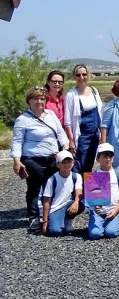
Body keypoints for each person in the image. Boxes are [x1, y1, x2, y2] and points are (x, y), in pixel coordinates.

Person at [12, 86, 69, 228]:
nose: (39, 101)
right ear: (29, 101)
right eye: (35, 98)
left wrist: (66, 147)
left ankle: (51, 212)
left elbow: (60, 133)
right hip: (32, 158)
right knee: (36, 184)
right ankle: (33, 216)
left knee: (54, 184)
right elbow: (17, 141)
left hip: (52, 157)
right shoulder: (23, 119)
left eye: (42, 98)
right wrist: (16, 160)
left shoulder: (50, 115)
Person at [64, 64, 103, 173]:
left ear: (88, 75)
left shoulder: (94, 91)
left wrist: (101, 133)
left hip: (95, 135)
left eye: (84, 74)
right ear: (74, 77)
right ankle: (77, 189)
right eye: (78, 75)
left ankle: (87, 189)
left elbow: (100, 113)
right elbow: (68, 122)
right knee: (78, 165)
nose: (81, 77)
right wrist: (71, 141)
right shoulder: (71, 95)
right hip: (81, 136)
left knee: (89, 165)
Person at [88, 143, 119, 240]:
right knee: (95, 234)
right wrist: (95, 206)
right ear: (98, 159)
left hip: (113, 210)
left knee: (111, 233)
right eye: (104, 156)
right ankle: (99, 224)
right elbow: (91, 196)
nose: (107, 159)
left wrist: (116, 210)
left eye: (110, 156)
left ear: (113, 158)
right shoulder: (92, 176)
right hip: (97, 212)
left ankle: (112, 222)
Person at [40, 150, 84, 236]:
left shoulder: (76, 176)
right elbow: (46, 201)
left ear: (73, 163)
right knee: (55, 232)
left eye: (69, 161)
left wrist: (76, 202)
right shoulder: (52, 180)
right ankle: (57, 219)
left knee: (81, 205)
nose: (67, 164)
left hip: (68, 203)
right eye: (64, 162)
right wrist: (44, 221)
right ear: (58, 164)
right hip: (55, 207)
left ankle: (67, 219)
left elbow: (79, 191)